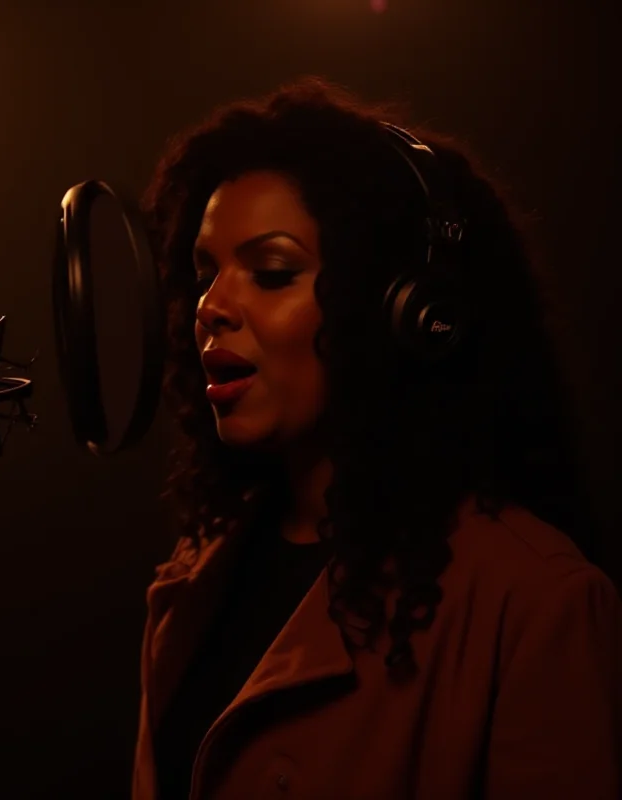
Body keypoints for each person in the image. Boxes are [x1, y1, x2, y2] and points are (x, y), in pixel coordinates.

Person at [131, 76, 622, 800]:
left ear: (408, 312)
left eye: (270, 272)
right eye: (205, 274)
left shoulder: (535, 603)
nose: (211, 307)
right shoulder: (196, 575)